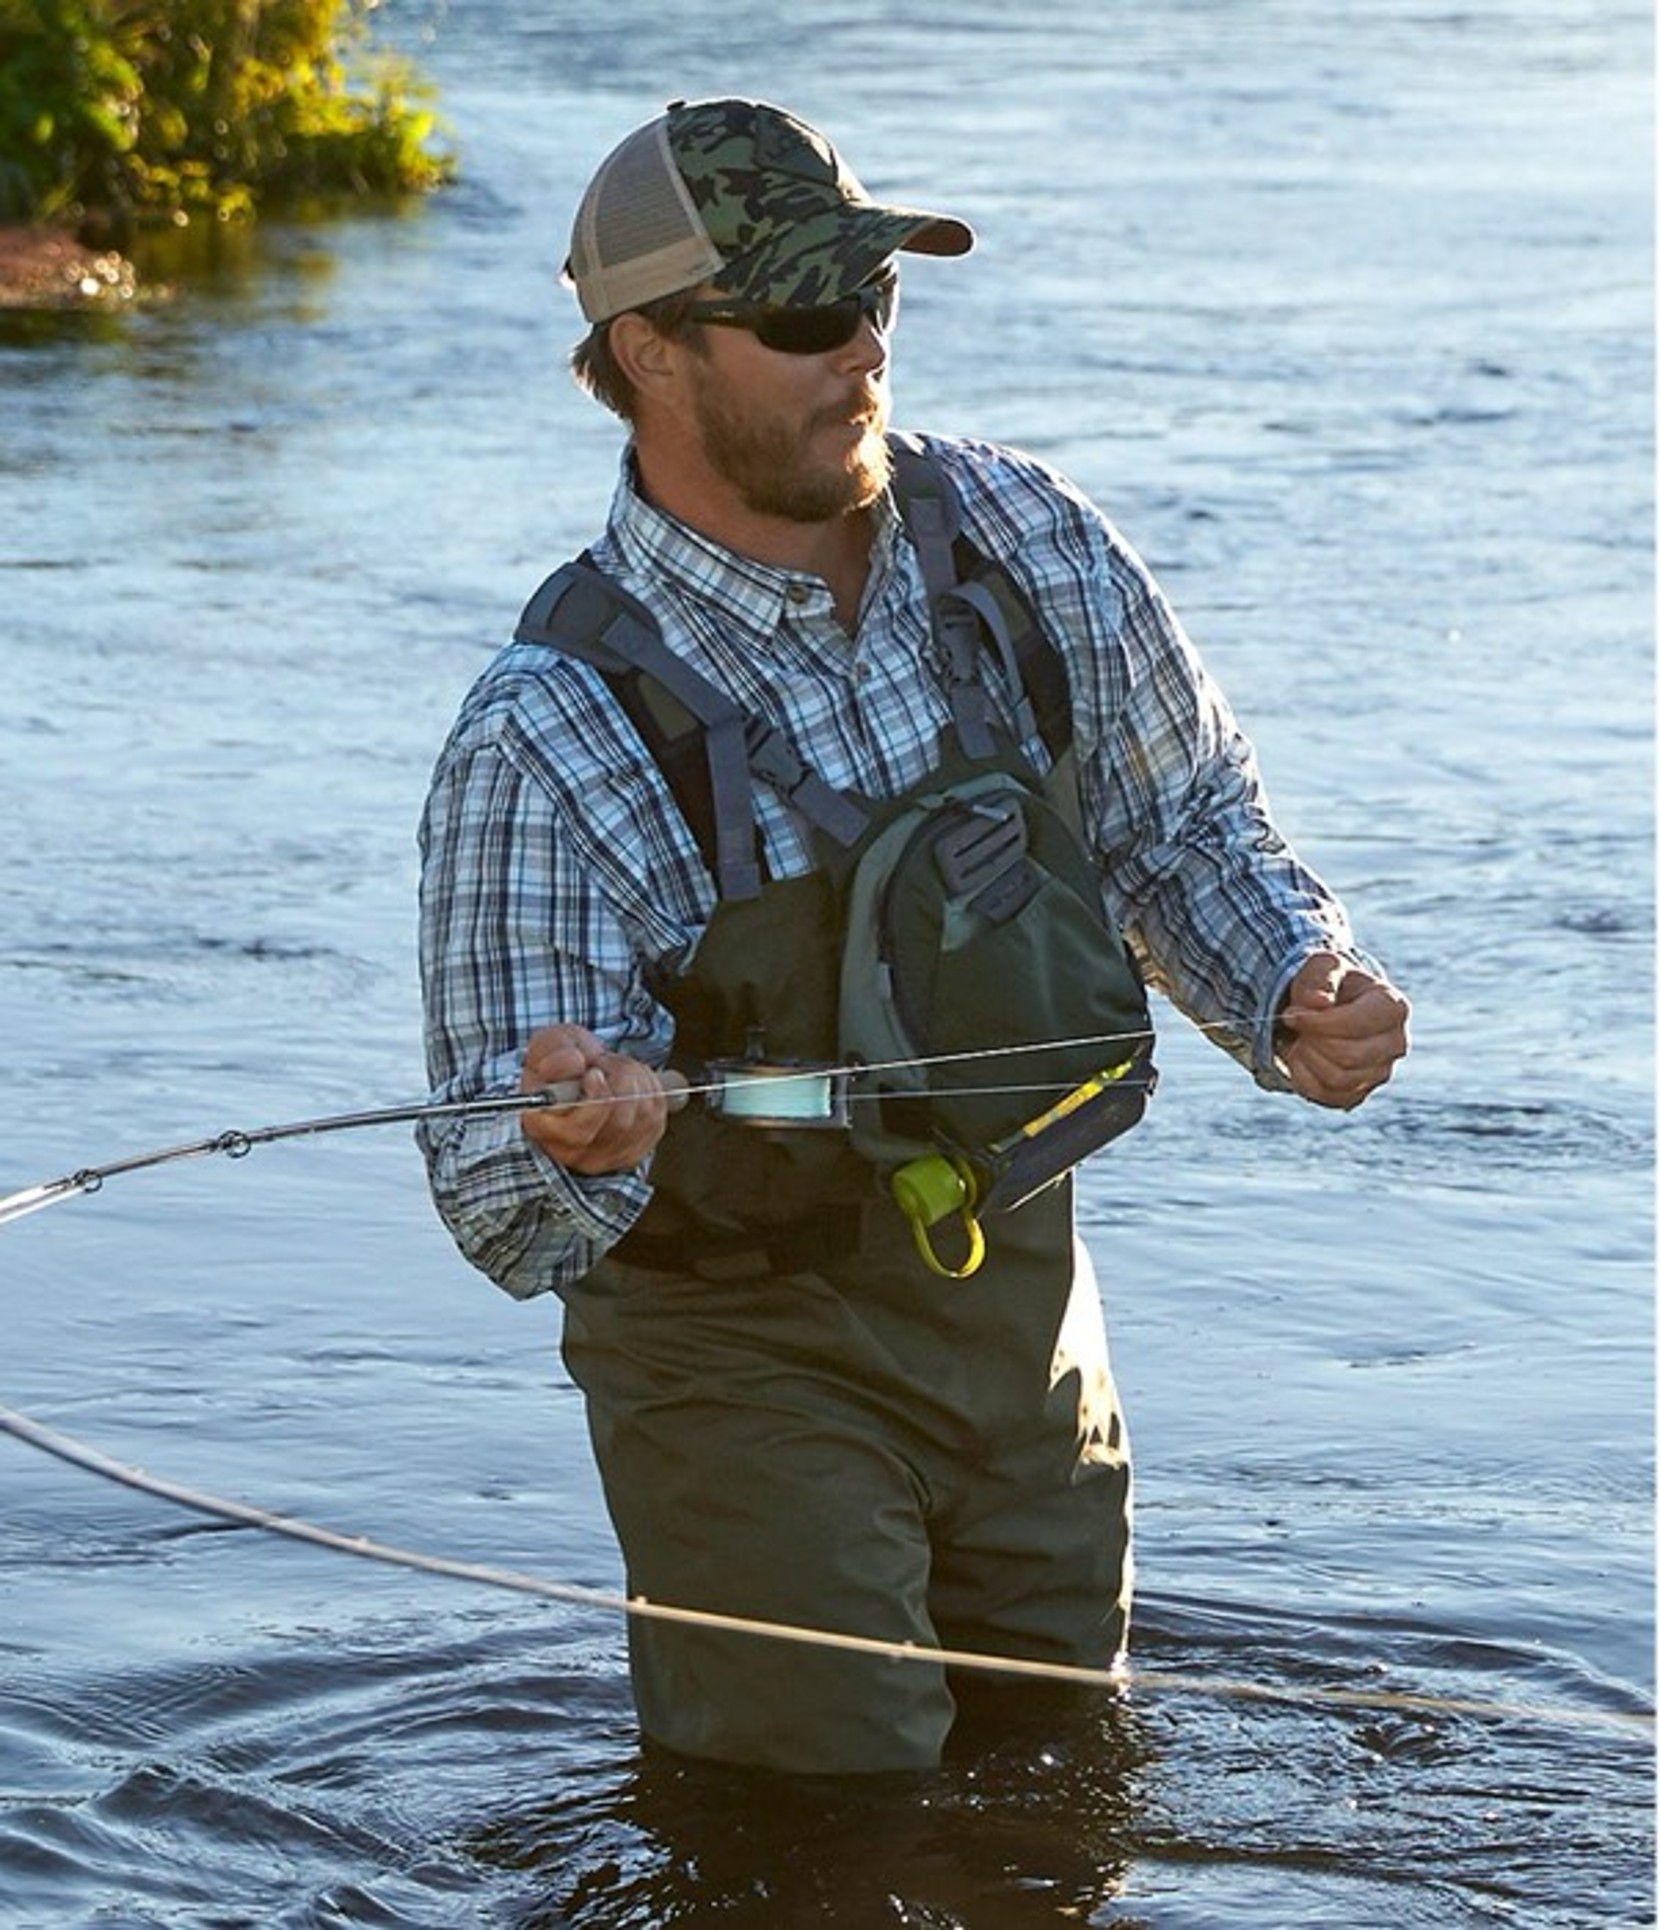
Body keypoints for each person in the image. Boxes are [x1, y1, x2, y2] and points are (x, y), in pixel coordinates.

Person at [417, 96, 1410, 1777]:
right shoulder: (545, 733)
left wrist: (1288, 984)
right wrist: (582, 1126)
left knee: (1062, 1794)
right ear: (649, 353)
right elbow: (500, 1203)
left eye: (878, 300)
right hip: (740, 1357)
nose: (862, 356)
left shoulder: (1021, 542)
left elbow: (1181, 827)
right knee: (828, 1822)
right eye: (807, 319)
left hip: (1021, 1312)